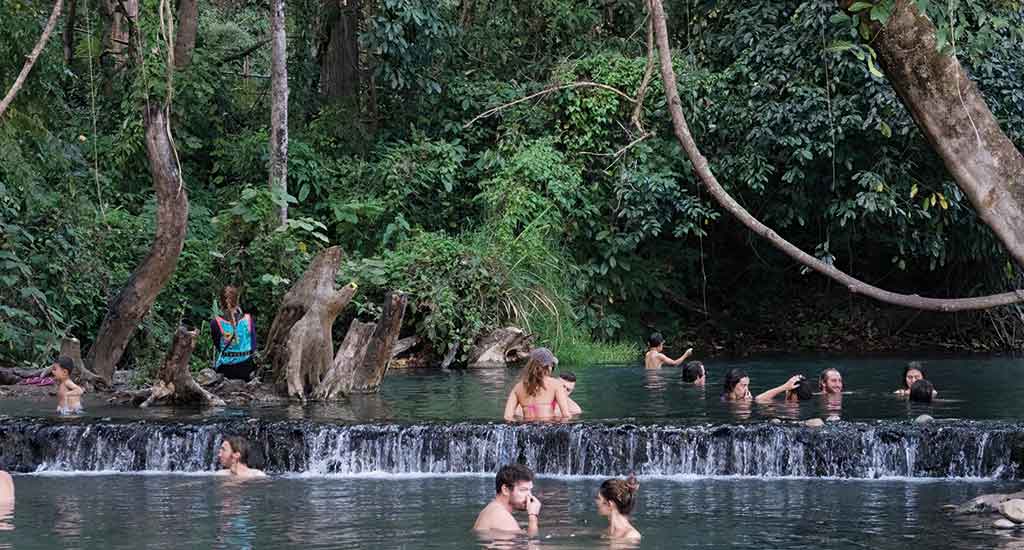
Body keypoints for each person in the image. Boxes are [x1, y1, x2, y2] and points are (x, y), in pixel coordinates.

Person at [473, 463, 542, 536]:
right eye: (523, 490)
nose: (530, 496)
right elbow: (532, 545)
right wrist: (533, 516)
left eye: (530, 490)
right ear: (505, 490)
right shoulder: (501, 517)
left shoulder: (492, 509)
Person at [503, 348, 571, 421]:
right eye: (552, 365)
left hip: (526, 428)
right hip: (547, 427)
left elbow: (507, 416)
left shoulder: (517, 387)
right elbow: (566, 415)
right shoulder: (556, 384)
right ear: (549, 366)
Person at [211, 285, 257, 381]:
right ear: (237, 300)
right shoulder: (248, 319)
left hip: (226, 369)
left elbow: (218, 346)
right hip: (246, 368)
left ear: (221, 302)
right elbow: (253, 346)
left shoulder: (216, 322)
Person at [595, 475, 642, 541]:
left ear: (610, 504)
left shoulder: (631, 536)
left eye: (598, 498)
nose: (596, 501)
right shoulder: (606, 532)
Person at [721, 368, 803, 403]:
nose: (747, 389)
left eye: (747, 385)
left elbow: (759, 399)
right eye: (743, 385)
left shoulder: (743, 397)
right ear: (732, 385)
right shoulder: (725, 402)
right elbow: (758, 399)